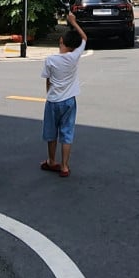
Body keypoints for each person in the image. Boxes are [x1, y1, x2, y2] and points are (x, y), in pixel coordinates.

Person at [40, 12, 87, 178]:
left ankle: (51, 161)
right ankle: (65, 166)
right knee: (67, 133)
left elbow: (48, 80)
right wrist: (73, 22)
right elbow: (84, 38)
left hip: (53, 101)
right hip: (69, 101)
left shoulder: (50, 60)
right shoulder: (75, 57)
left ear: (61, 41)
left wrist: (49, 93)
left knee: (51, 133)